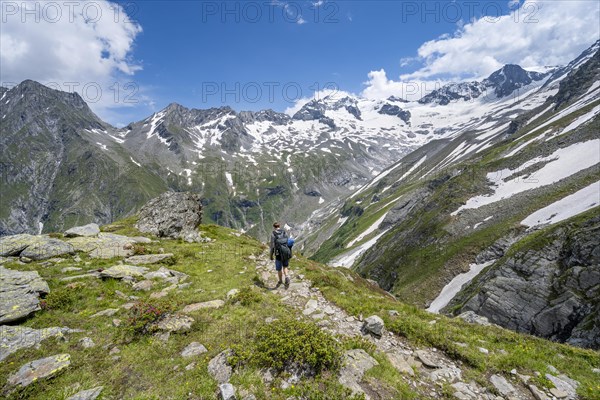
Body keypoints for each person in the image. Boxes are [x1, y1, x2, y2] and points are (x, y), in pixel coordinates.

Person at [270, 222, 291, 288]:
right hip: (285, 251)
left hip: (278, 253)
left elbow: (272, 246)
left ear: (274, 227)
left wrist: (271, 255)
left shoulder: (273, 234)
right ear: (279, 226)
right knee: (285, 266)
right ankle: (287, 277)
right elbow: (288, 241)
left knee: (279, 269)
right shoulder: (284, 232)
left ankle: (280, 281)